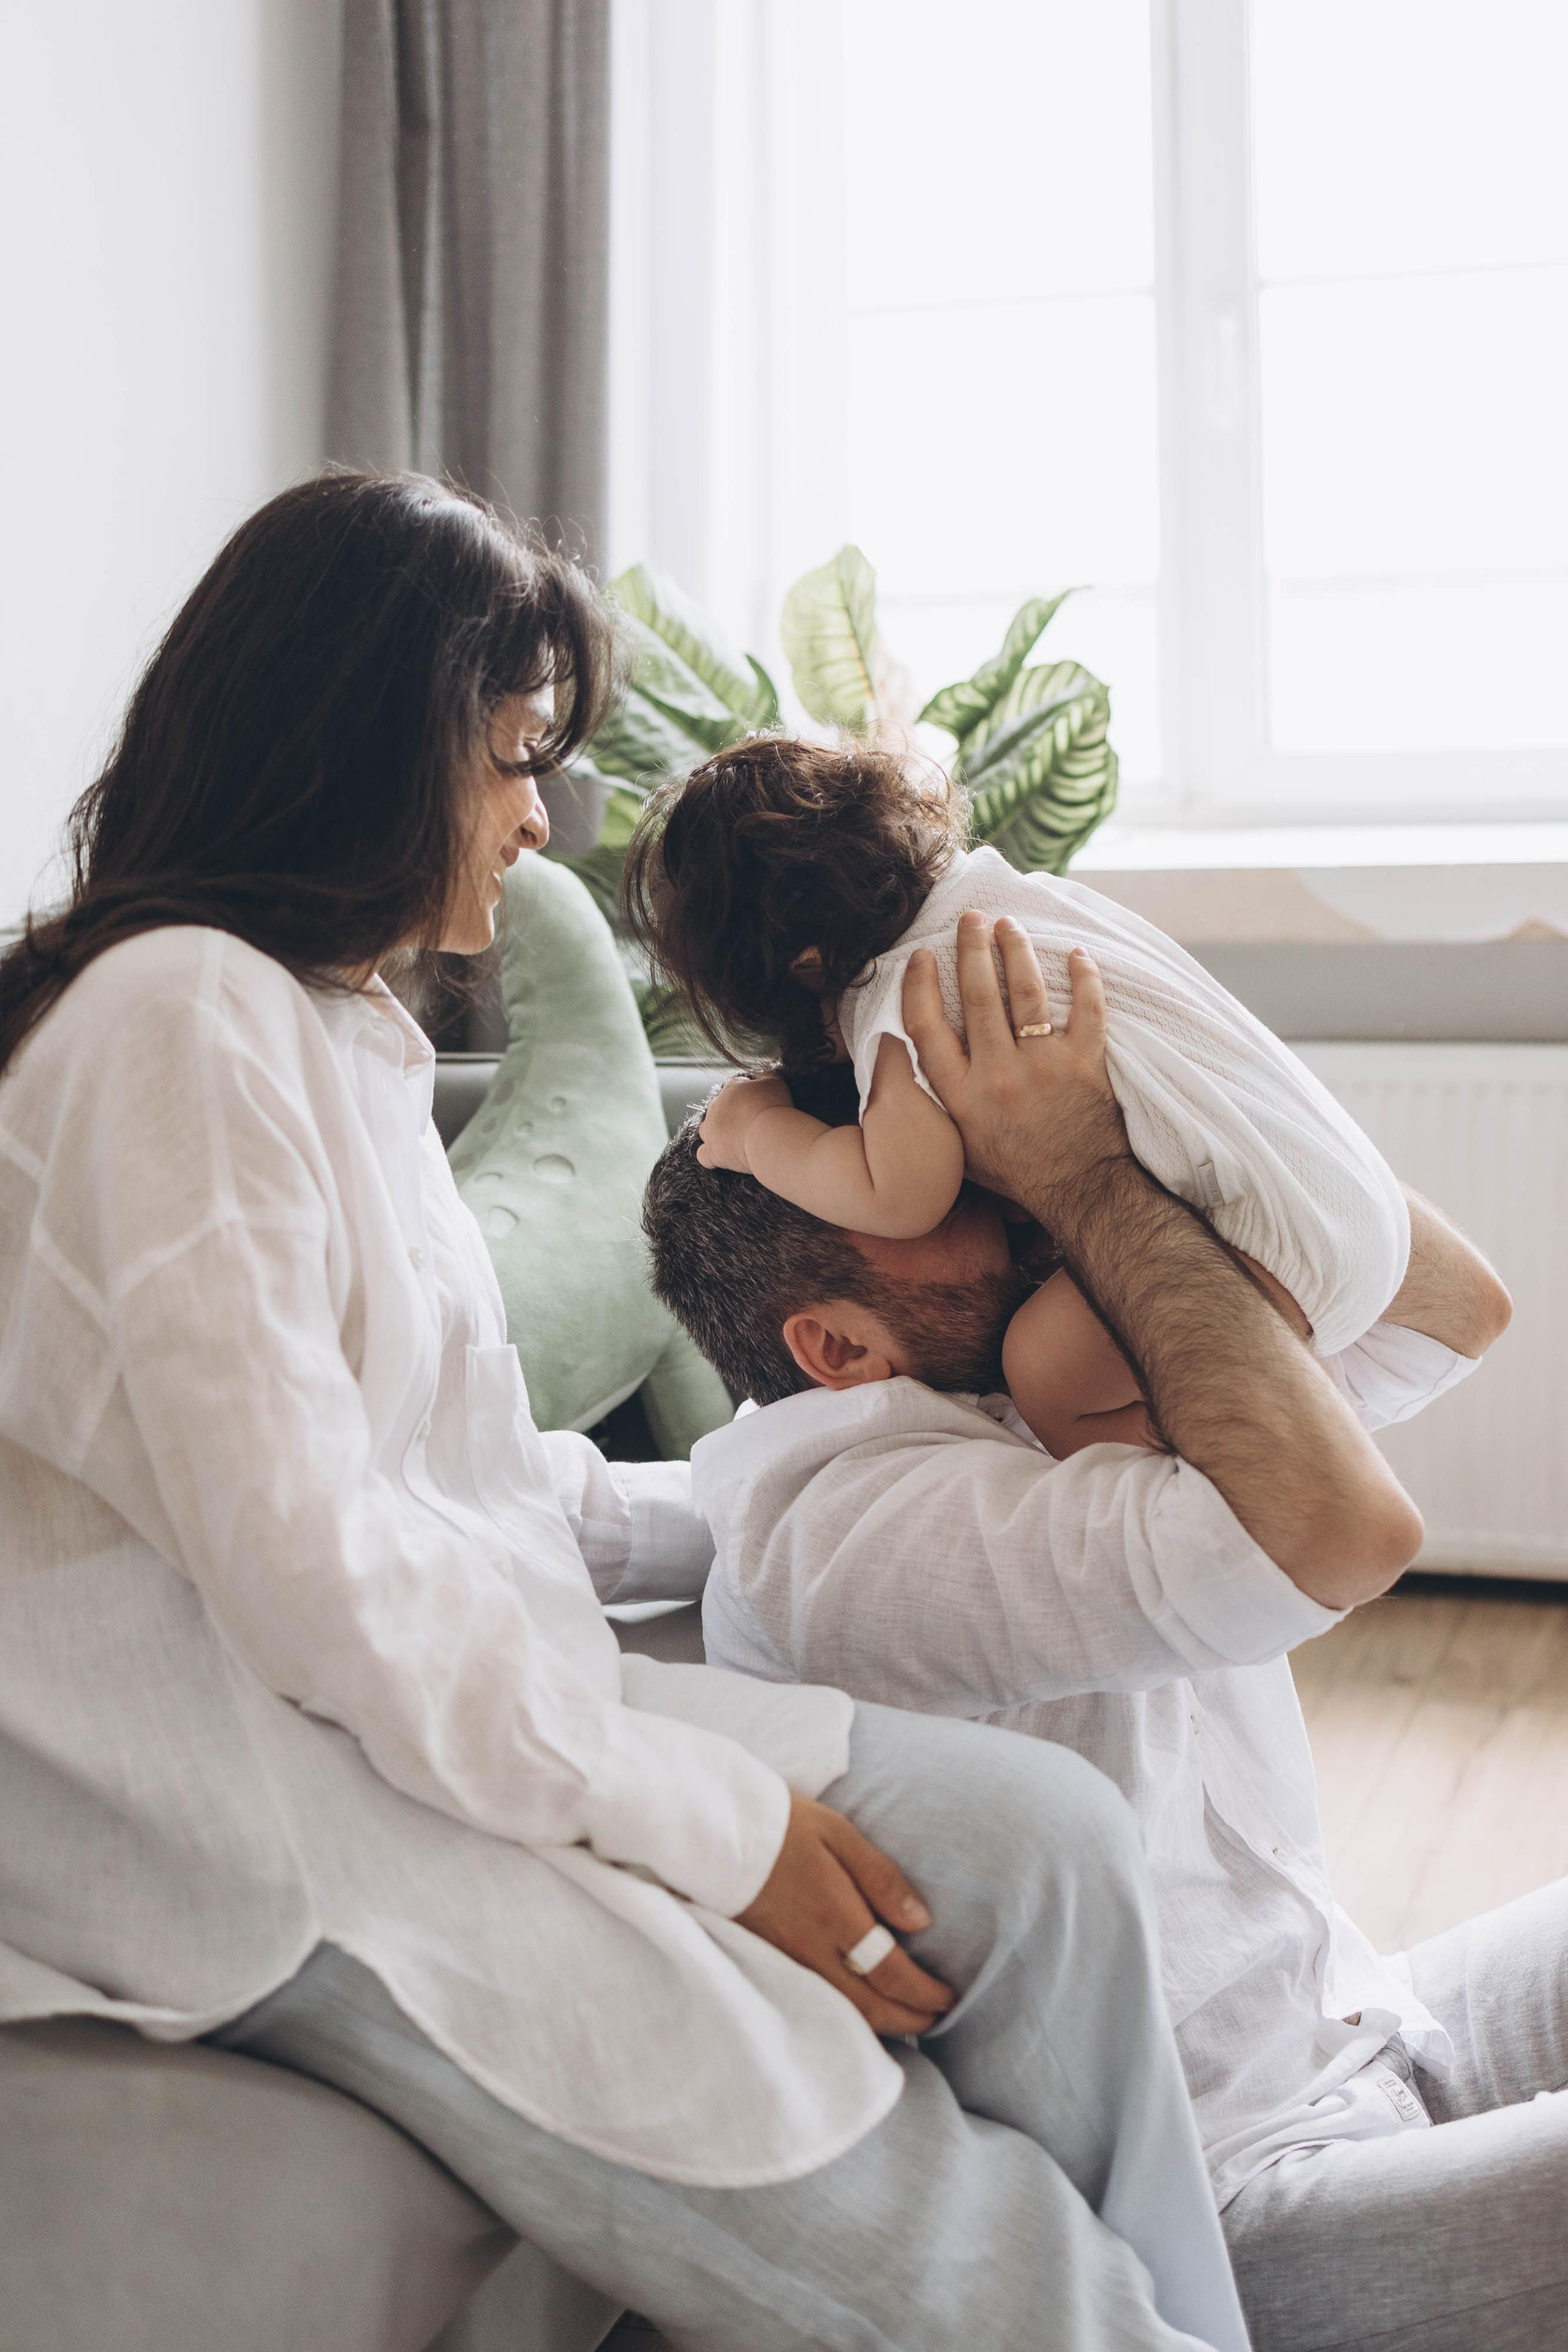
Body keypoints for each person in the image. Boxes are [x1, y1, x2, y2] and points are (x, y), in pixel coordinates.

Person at [0, 470, 1256, 2352]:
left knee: (1050, 1850)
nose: (535, 813)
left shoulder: (342, 1035)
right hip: (273, 1810)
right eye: (512, 754)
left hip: (445, 1708)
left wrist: (815, 1476)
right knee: (966, 2247)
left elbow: (482, 1493)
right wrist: (716, 1826)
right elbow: (321, 1580)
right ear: (366, 746)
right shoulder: (171, 1024)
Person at [641, 919, 1568, 2352]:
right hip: (1245, 2202)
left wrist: (1149, 1056)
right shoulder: (857, 1539)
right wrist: (1073, 1170)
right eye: (933, 1188)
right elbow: (1338, 1532)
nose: (990, 1189)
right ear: (831, 1343)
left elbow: (1447, 1301)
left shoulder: (1041, 1376)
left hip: (1367, 2022)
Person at [622, 735, 1408, 1458]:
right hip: (1360, 1203)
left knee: (1044, 1375)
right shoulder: (1015, 898)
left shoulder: (906, 993)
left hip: (1273, 1241)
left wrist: (758, 1134)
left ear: (797, 965)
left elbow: (899, 1195)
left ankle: (1233, 1444)